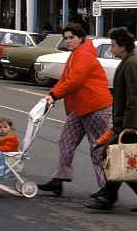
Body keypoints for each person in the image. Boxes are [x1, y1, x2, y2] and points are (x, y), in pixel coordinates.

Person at [88, 27, 137, 213]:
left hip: (133, 124)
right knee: (131, 161)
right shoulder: (128, 62)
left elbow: (134, 99)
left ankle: (109, 196)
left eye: (113, 45)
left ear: (123, 46)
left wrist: (130, 127)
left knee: (117, 156)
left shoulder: (131, 65)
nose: (111, 49)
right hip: (128, 122)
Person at [37, 22, 113, 196]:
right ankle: (59, 178)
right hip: (80, 108)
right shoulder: (75, 54)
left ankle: (108, 189)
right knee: (66, 141)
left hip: (95, 107)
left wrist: (54, 95)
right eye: (66, 38)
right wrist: (52, 94)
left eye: (72, 37)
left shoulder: (84, 54)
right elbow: (65, 79)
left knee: (98, 148)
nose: (68, 41)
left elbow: (74, 81)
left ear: (81, 38)